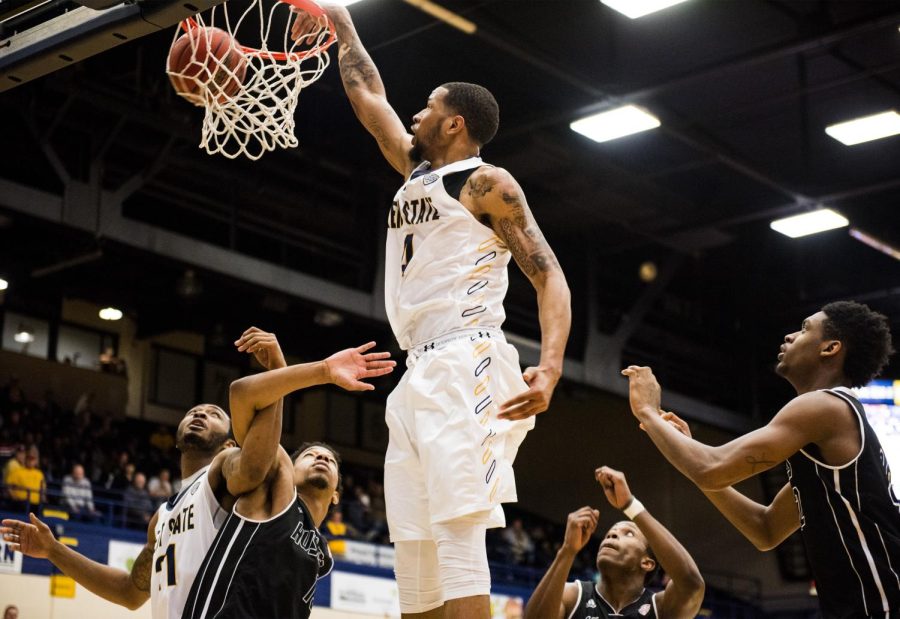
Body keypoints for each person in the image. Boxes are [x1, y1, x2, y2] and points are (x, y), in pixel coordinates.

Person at [291, 7, 572, 618]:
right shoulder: (417, 172)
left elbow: (549, 277)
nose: (414, 114)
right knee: (413, 552)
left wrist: (549, 369)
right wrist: (339, 21)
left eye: (427, 106)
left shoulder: (487, 184)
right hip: (419, 370)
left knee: (457, 535)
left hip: (465, 358)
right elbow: (368, 96)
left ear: (455, 123)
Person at [622, 300, 897, 618]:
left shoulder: (824, 407)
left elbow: (710, 468)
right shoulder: (830, 438)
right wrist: (691, 454)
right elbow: (764, 529)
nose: (790, 336)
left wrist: (646, 411)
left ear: (831, 348)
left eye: (805, 328)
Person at [0, 330, 282, 619]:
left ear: (229, 445)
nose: (199, 414)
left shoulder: (225, 475)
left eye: (213, 414)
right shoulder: (161, 517)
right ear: (176, 438)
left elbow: (255, 467)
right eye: (194, 412)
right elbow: (129, 593)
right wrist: (53, 550)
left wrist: (277, 372)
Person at [181, 330, 395, 618]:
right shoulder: (273, 486)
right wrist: (320, 370)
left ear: (335, 496)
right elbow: (242, 393)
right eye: (310, 455)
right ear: (288, 472)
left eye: (329, 459)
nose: (320, 456)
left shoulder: (324, 556)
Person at [525, 467, 704, 619]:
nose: (612, 535)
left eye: (628, 533)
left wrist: (630, 506)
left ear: (647, 563)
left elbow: (692, 585)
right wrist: (567, 550)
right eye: (610, 533)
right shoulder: (573, 595)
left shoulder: (661, 608)